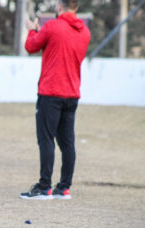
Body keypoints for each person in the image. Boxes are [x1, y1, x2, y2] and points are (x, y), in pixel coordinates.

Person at [20, 0, 90, 200]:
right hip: (72, 93)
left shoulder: (52, 26)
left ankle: (44, 187)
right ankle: (64, 188)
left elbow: (30, 47)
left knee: (46, 139)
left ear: (59, 7)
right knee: (67, 142)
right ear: (76, 7)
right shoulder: (85, 32)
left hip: (51, 92)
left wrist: (33, 30)